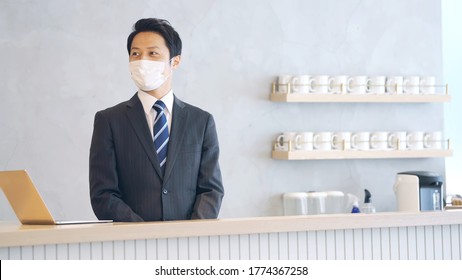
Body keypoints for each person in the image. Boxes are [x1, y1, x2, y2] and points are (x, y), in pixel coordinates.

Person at [89, 18, 224, 222]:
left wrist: (191, 234)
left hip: (190, 244)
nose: (142, 60)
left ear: (175, 61)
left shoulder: (201, 121)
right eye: (136, 53)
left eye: (153, 53)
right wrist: (144, 235)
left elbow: (210, 190)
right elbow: (103, 194)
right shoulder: (109, 121)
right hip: (132, 245)